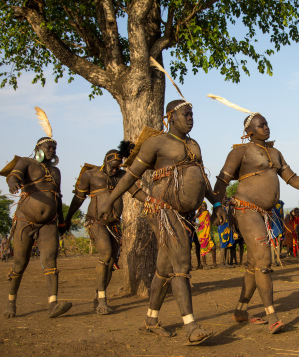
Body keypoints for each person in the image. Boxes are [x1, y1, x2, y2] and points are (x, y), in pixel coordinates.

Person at [99, 97, 225, 344]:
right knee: (181, 263)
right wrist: (108, 200)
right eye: (186, 114)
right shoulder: (156, 143)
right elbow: (130, 176)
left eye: (192, 114)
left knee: (164, 269)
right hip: (162, 209)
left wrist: (217, 202)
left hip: (186, 215)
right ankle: (191, 327)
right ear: (170, 118)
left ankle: (150, 320)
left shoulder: (194, 145)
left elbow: (203, 179)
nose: (190, 118)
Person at [209, 94, 299, 334]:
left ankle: (240, 310)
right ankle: (272, 316)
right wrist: (217, 207)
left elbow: (292, 178)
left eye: (267, 123)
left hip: (266, 213)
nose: (266, 127)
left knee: (254, 263)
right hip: (244, 209)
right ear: (249, 131)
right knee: (264, 260)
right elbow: (222, 181)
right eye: (261, 125)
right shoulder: (240, 152)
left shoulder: (275, 152)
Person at [3, 107, 72, 319]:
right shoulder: (27, 161)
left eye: (54, 147)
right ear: (38, 149)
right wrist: (13, 182)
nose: (52, 150)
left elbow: (58, 199)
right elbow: (12, 176)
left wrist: (61, 223)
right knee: (19, 264)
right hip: (25, 222)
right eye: (48, 147)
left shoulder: (56, 172)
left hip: (49, 223)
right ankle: (11, 303)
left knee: (51, 262)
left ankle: (53, 305)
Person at [64, 145, 147, 314]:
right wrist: (66, 219)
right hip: (96, 221)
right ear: (105, 162)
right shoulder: (90, 175)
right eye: (113, 167)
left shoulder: (123, 176)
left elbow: (136, 192)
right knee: (106, 254)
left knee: (111, 263)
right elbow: (78, 199)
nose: (116, 170)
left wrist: (152, 201)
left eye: (118, 167)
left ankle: (98, 295)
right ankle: (102, 300)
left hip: (115, 225)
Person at [194, 202, 217, 269]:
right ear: (201, 207)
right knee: (203, 248)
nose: (204, 207)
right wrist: (197, 224)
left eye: (205, 206)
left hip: (209, 233)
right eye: (203, 206)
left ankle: (214, 263)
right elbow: (192, 220)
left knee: (213, 247)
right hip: (202, 233)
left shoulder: (208, 212)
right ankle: (204, 264)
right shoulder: (199, 213)